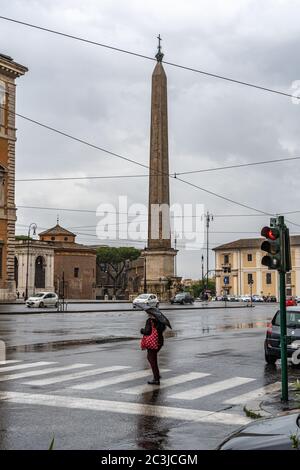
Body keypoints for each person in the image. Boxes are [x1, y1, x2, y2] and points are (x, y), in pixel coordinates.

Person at [141, 311, 166, 385]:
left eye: (148, 313)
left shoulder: (149, 321)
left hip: (152, 342)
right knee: (151, 358)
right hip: (159, 342)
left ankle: (156, 378)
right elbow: (162, 329)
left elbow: (147, 332)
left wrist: (142, 330)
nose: (147, 314)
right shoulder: (161, 321)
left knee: (152, 359)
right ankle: (157, 375)